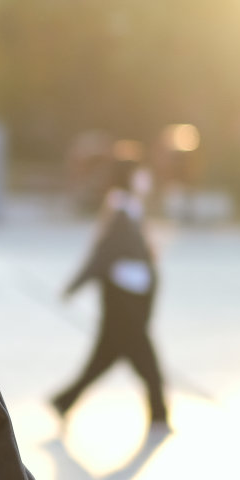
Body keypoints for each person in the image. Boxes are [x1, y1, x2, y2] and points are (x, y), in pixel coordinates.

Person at [49, 154, 170, 430]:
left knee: (106, 357)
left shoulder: (128, 208)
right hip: (123, 300)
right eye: (140, 173)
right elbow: (101, 256)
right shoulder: (121, 211)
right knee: (143, 357)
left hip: (129, 297)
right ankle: (159, 413)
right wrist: (73, 287)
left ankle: (65, 401)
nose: (145, 178)